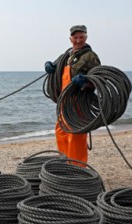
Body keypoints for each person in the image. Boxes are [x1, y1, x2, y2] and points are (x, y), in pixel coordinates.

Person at [44, 24, 101, 164]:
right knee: (61, 131)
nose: (78, 40)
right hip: (64, 103)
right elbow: (56, 69)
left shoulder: (90, 56)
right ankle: (65, 164)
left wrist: (85, 83)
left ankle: (78, 168)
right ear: (70, 39)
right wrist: (50, 65)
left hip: (79, 103)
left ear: (86, 37)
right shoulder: (66, 56)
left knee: (76, 135)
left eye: (81, 37)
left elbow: (99, 79)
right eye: (75, 37)